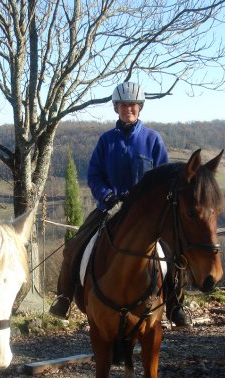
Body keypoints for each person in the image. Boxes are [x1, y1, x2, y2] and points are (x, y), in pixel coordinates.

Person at [49, 80, 190, 327]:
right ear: (116, 108)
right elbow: (94, 175)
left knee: (172, 250)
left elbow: (166, 178)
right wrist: (106, 195)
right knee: (75, 246)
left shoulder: (153, 140)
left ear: (139, 108)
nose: (128, 109)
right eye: (123, 105)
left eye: (133, 105)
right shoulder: (106, 141)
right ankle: (64, 298)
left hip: (146, 216)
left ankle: (176, 305)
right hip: (110, 208)